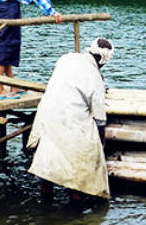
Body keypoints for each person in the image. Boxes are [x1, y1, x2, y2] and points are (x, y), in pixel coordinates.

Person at [26, 38, 114, 200]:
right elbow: (99, 117)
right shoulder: (95, 78)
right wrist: (101, 143)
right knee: (76, 175)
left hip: (48, 113)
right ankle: (76, 209)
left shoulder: (67, 58)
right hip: (71, 120)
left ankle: (45, 204)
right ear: (103, 61)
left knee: (48, 164)